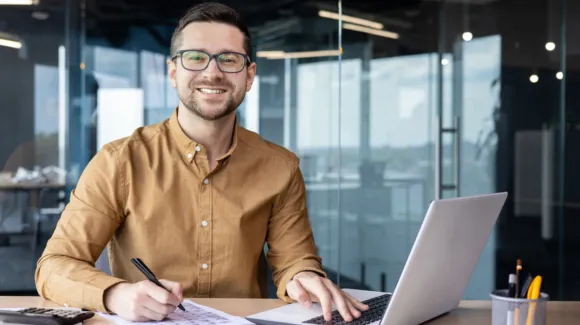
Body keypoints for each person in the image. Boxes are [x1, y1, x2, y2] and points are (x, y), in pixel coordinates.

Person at [34, 2, 368, 323]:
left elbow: (294, 259)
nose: (213, 72)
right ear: (173, 72)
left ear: (249, 76)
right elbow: (54, 266)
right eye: (196, 58)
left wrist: (302, 276)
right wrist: (116, 294)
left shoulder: (281, 167)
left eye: (229, 59)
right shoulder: (119, 161)